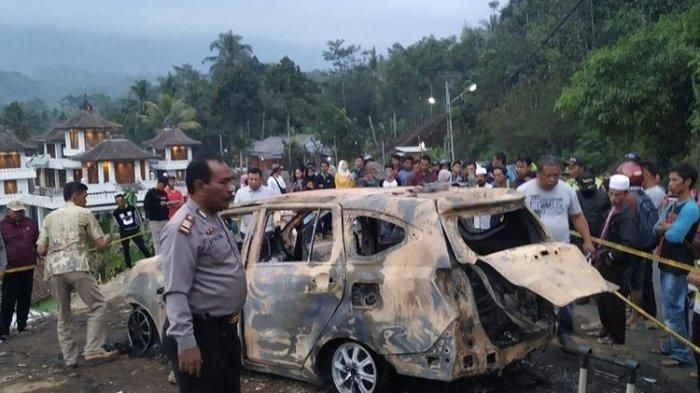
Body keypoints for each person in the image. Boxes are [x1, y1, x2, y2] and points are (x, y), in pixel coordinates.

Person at [161, 158, 246, 392]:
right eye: (224, 182)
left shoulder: (213, 217)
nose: (231, 189)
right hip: (201, 334)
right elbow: (175, 290)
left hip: (224, 331)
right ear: (200, 187)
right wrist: (186, 342)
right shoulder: (181, 229)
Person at [517, 155, 596, 347]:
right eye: (548, 176)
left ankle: (565, 332)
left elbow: (577, 217)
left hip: (561, 251)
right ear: (538, 174)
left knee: (564, 292)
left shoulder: (567, 190)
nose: (553, 180)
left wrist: (587, 240)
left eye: (556, 175)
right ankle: (533, 330)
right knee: (535, 291)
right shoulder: (522, 192)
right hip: (532, 252)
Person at [36, 182, 116, 367]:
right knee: (98, 305)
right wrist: (110, 237)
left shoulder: (49, 217)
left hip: (55, 269)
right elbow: (101, 244)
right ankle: (93, 349)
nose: (86, 200)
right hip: (76, 265)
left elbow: (40, 249)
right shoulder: (84, 214)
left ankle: (70, 358)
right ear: (76, 196)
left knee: (63, 315)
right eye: (85, 196)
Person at [654, 163, 699, 367]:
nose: (670, 183)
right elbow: (657, 227)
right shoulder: (673, 205)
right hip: (666, 261)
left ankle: (681, 352)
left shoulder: (690, 209)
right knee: (671, 307)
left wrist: (667, 227)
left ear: (687, 182)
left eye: (674, 180)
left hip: (679, 263)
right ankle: (673, 345)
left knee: (675, 308)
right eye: (669, 179)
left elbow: (674, 235)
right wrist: (667, 226)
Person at [594, 175, 640, 345]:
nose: (614, 198)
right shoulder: (611, 210)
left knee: (615, 302)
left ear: (626, 194)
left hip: (616, 265)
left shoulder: (628, 215)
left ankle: (617, 336)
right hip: (604, 260)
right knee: (603, 299)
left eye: (618, 195)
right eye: (611, 194)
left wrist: (611, 257)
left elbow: (629, 243)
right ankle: (606, 329)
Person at [0, 200, 38, 342]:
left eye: (21, 211)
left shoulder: (29, 223)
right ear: (8, 212)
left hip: (28, 267)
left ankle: (22, 325)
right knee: (8, 301)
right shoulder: (2, 227)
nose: (19, 214)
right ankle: (3, 331)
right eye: (16, 211)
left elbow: (35, 240)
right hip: (10, 270)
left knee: (25, 298)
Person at [112, 194, 151, 268]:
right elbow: (116, 223)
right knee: (125, 249)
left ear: (124, 200)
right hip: (124, 232)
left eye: (121, 201)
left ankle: (150, 259)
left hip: (134, 230)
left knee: (141, 246)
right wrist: (120, 230)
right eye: (117, 202)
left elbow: (138, 219)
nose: (119, 204)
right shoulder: (115, 213)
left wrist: (137, 227)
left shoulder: (132, 208)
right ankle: (129, 266)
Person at [233, 168, 276, 234]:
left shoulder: (270, 192)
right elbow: (235, 211)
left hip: (266, 230)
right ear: (248, 179)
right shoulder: (240, 193)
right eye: (251, 179)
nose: (253, 182)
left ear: (261, 179)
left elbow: (275, 210)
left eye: (256, 179)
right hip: (246, 231)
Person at [144, 175, 170, 254]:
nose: (164, 187)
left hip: (165, 220)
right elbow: (146, 206)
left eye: (165, 186)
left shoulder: (164, 193)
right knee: (157, 242)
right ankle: (159, 260)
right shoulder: (150, 193)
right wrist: (159, 204)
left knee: (167, 240)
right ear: (159, 183)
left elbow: (166, 202)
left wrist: (169, 204)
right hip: (155, 221)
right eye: (163, 185)